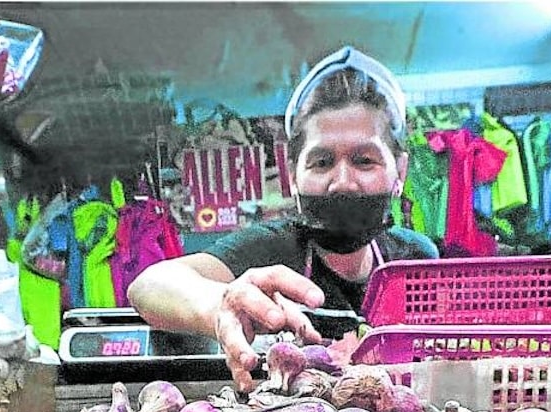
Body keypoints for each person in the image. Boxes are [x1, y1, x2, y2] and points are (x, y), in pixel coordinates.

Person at [127, 45, 438, 391]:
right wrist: (220, 305)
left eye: (364, 160)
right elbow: (149, 285)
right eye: (321, 162)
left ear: (401, 173)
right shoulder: (270, 249)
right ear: (293, 177)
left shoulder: (416, 259)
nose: (342, 182)